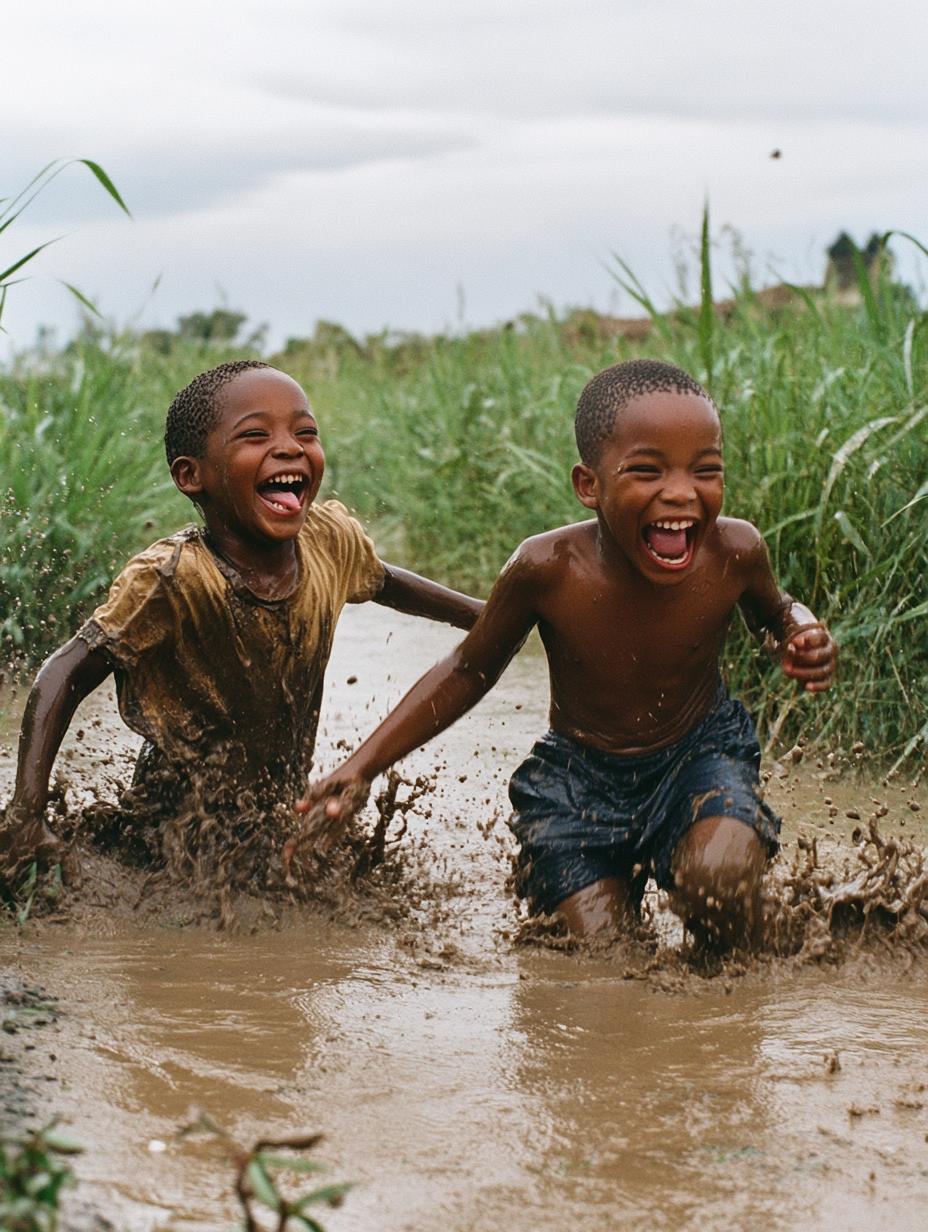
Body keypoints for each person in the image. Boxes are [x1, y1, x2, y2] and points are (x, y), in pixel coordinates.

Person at [298, 358, 837, 948]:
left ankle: (768, 968)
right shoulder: (547, 570)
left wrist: (799, 634)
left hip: (698, 755)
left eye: (705, 470)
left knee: (717, 882)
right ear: (589, 486)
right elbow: (467, 669)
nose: (682, 492)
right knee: (599, 962)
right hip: (577, 786)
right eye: (647, 471)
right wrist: (360, 767)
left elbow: (774, 613)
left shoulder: (735, 549)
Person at [0, 360, 483, 886]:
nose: (290, 448)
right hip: (170, 831)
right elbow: (62, 672)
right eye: (255, 435)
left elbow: (386, 581)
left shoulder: (328, 541)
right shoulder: (170, 579)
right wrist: (27, 813)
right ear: (192, 476)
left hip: (275, 816)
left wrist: (489, 617)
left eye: (306, 432)